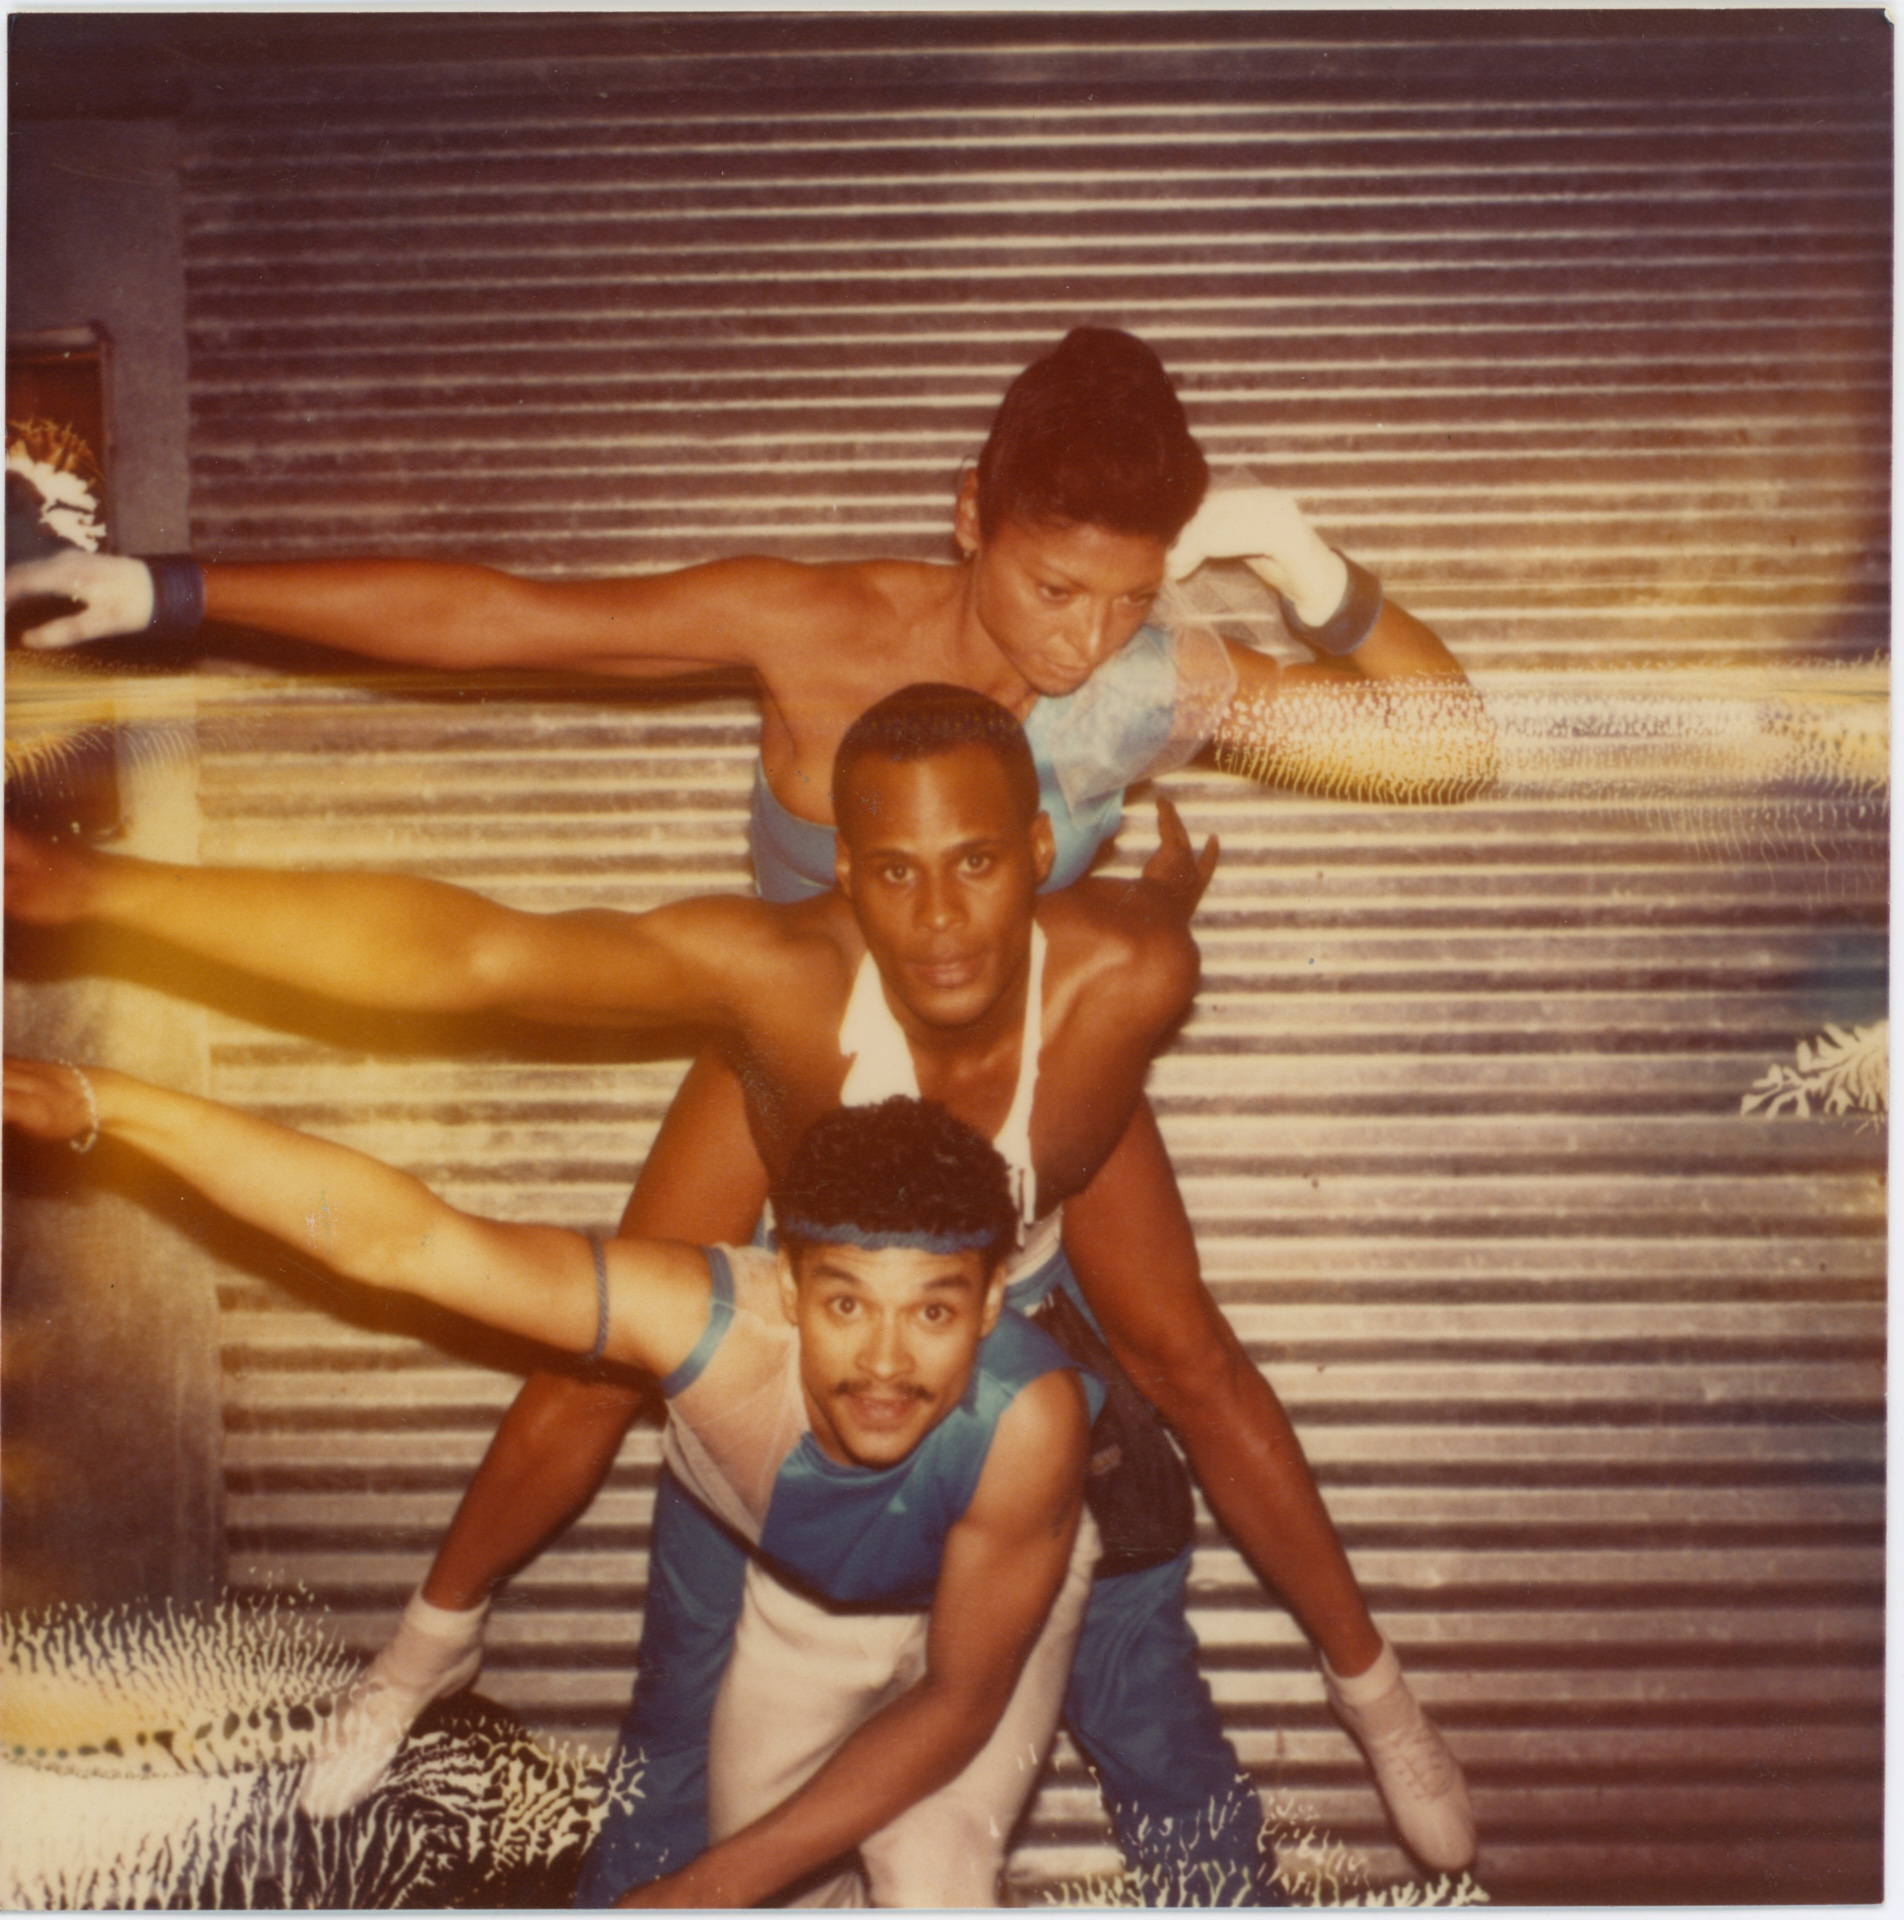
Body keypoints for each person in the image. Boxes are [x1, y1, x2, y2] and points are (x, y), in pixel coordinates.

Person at [5, 682, 1476, 1894]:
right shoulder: (782, 991)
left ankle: (1378, 1700)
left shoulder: (1122, 986)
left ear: (1037, 850)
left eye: (978, 863)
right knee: (592, 1392)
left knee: (1184, 1395)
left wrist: (1374, 1695)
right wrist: (92, 891)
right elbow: (470, 957)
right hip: (822, 1263)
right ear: (844, 875)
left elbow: (1167, 1395)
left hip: (1010, 1297)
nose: (943, 918)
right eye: (895, 872)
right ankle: (420, 1659)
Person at [2, 1060, 1109, 1910]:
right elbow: (409, 1243)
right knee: (773, 1871)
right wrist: (116, 1103)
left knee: (926, 1869)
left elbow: (959, 1702)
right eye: (845, 1304)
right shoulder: (706, 1320)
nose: (883, 1363)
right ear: (783, 1282)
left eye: (931, 1310)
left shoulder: (1028, 1421)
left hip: (991, 1625)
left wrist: (696, 1891)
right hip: (806, 1605)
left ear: (995, 1293)